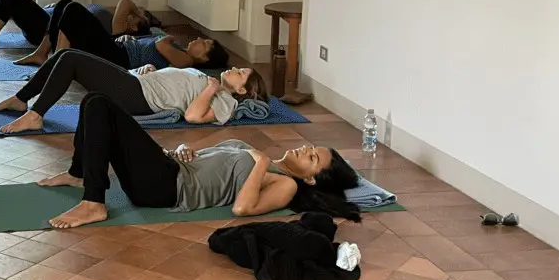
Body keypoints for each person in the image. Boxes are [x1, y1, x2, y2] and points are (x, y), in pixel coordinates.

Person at [37, 92, 359, 229]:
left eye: (313, 158)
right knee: (93, 100)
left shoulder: (286, 184)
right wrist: (179, 149)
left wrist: (260, 162)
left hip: (168, 188)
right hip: (170, 168)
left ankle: (94, 202)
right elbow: (201, 159)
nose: (306, 150)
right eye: (312, 147)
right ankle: (80, 172)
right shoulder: (245, 146)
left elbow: (242, 208)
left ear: (312, 178)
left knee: (101, 106)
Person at [0, 52, 268, 135]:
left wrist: (210, 89)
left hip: (139, 99)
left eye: (241, 72)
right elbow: (175, 84)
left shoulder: (225, 101)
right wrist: (145, 70)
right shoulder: (212, 81)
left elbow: (194, 116)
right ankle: (22, 98)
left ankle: (35, 114)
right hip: (138, 84)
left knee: (72, 60)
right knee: (65, 54)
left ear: (242, 89)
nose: (234, 68)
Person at [14, 0, 226, 70]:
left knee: (72, 10)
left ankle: (57, 61)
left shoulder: (187, 62)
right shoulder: (181, 51)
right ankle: (44, 53)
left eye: (204, 43)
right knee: (65, 5)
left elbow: (161, 46)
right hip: (116, 47)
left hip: (118, 58)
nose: (198, 39)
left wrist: (167, 38)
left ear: (204, 58)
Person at [0, 0, 155, 52]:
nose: (130, 18)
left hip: (46, 30)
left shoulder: (118, 29)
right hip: (48, 20)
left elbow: (125, 1)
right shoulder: (111, 20)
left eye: (136, 20)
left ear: (135, 29)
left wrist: (139, 13)